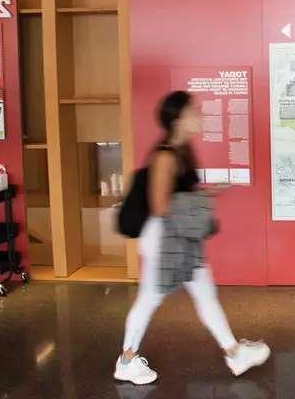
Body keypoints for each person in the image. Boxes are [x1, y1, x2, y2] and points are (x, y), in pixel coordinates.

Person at [114, 91, 270, 385]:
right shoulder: (165, 155)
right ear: (178, 119)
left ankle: (234, 352)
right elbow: (161, 205)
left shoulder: (181, 151)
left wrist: (209, 192)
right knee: (151, 298)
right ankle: (126, 360)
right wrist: (200, 199)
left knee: (203, 293)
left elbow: (177, 195)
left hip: (179, 235)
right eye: (194, 112)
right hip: (165, 239)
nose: (200, 115)